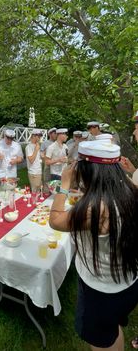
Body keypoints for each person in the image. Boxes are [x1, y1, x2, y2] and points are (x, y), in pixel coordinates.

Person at [49, 140, 138, 351]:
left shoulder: (95, 208)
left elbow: (55, 220)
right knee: (113, 329)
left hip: (101, 290)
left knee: (100, 342)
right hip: (128, 281)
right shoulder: (130, 192)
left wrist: (64, 184)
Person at [40, 127, 57, 192]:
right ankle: (46, 194)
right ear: (50, 134)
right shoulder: (45, 143)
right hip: (48, 166)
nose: (56, 135)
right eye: (54, 133)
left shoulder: (58, 143)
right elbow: (41, 154)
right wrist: (46, 160)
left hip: (56, 166)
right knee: (47, 180)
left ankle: (54, 194)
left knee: (55, 181)